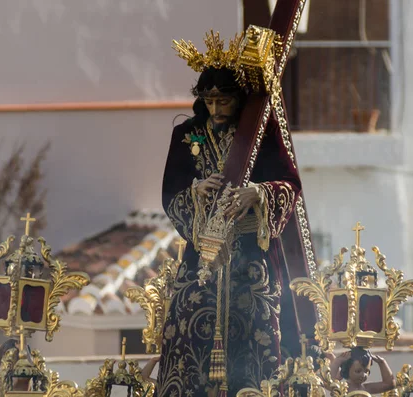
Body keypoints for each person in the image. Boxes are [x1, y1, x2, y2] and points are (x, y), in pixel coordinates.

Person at [159, 61, 303, 395]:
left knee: (258, 335)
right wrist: (196, 191)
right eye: (209, 101)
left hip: (251, 260)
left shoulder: (260, 134)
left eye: (223, 101)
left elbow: (291, 184)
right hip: (202, 262)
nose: (216, 109)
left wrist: (260, 192)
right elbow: (170, 195)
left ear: (238, 98)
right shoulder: (186, 135)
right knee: (186, 325)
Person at [329, 348, 396, 394]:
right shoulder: (343, 388)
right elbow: (329, 382)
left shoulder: (366, 388)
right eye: (358, 371)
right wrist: (337, 361)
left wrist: (382, 362)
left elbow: (389, 384)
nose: (363, 375)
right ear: (347, 369)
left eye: (367, 371)